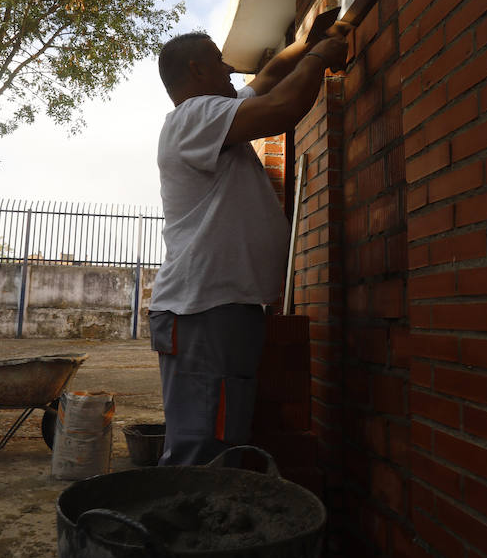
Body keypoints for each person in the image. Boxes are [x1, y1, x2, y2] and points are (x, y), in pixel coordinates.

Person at [149, 25, 349, 466]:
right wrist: (322, 57)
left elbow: (271, 77)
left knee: (224, 435)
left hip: (219, 308)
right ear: (198, 69)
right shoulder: (194, 116)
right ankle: (192, 531)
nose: (229, 68)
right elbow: (281, 107)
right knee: (202, 448)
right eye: (220, 60)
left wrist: (306, 42)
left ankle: (210, 524)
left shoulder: (213, 113)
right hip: (202, 310)